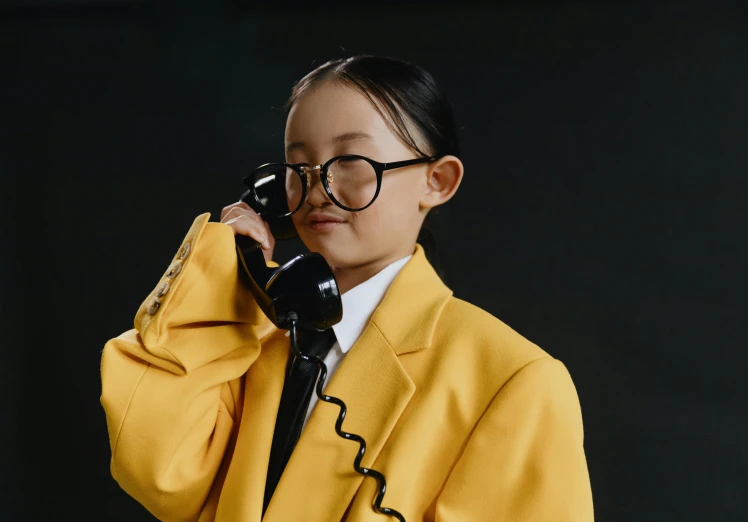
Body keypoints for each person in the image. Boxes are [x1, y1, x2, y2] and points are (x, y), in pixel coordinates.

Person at [100, 54, 593, 522]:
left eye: (351, 162)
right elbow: (157, 468)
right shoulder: (249, 347)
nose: (319, 189)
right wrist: (218, 274)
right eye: (299, 168)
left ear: (436, 181)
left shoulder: (514, 381)